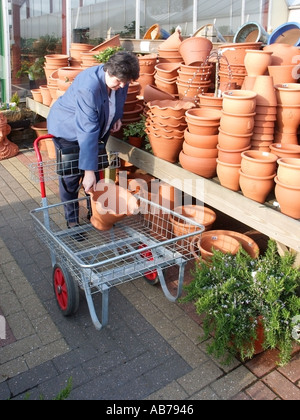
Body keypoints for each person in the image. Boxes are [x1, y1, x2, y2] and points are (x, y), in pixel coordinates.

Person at [47, 51, 140, 227]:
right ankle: (72, 221)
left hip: (93, 131)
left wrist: (117, 117)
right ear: (108, 70)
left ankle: (95, 213)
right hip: (68, 129)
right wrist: (88, 170)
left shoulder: (121, 78)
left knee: (95, 175)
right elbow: (87, 129)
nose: (122, 86)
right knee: (71, 177)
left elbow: (120, 99)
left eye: (125, 82)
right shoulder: (88, 87)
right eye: (118, 81)